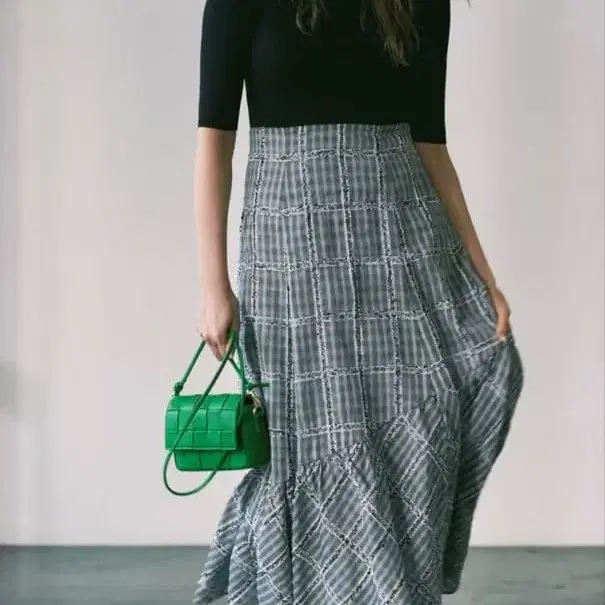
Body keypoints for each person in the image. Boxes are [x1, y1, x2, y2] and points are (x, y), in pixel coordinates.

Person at [192, 0, 524, 602]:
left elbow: (430, 144)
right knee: (306, 442)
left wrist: (485, 276)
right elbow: (213, 139)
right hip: (290, 249)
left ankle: (398, 587)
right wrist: (213, 284)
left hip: (401, 234)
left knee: (452, 399)